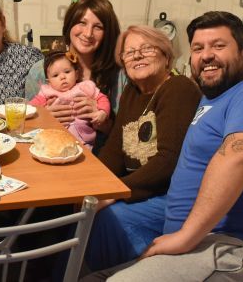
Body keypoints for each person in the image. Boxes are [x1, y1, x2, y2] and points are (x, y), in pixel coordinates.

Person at [83, 11, 243, 281]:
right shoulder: (210, 102)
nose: (206, 55)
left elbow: (237, 157)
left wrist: (185, 237)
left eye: (218, 46)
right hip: (198, 243)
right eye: (198, 48)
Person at [84, 25, 201, 268]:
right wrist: (92, 184)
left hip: (168, 195)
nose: (137, 56)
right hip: (137, 188)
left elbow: (169, 160)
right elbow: (115, 149)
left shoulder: (178, 88)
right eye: (129, 52)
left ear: (166, 56)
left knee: (108, 218)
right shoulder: (132, 91)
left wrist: (116, 192)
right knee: (81, 206)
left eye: (147, 49)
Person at [25, 0, 124, 144]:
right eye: (82, 23)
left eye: (98, 27)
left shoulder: (118, 75)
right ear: (69, 24)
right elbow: (26, 126)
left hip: (99, 155)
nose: (88, 33)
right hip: (51, 149)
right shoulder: (39, 71)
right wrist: (43, 117)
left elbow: (126, 137)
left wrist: (102, 120)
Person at [28, 50, 110, 149]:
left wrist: (103, 112)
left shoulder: (85, 87)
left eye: (67, 72)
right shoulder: (46, 92)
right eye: (55, 75)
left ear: (76, 74)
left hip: (85, 139)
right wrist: (42, 114)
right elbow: (31, 107)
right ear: (49, 82)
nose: (63, 77)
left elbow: (102, 98)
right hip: (57, 139)